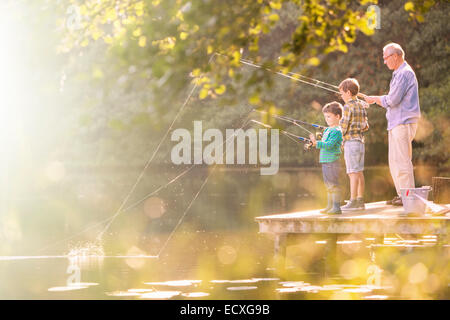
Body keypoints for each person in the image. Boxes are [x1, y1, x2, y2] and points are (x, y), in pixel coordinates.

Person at [364, 43, 420, 206]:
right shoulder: (398, 73)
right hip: (396, 122)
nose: (384, 61)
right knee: (394, 162)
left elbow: (393, 99)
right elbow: (392, 99)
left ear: (395, 56)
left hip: (404, 122)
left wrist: (376, 99)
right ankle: (402, 195)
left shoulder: (404, 73)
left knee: (403, 161)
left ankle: (408, 197)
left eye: (386, 58)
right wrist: (377, 99)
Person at [338, 78, 369, 211]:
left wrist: (337, 136)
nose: (341, 96)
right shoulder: (361, 105)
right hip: (360, 142)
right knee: (359, 172)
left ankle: (353, 200)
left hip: (351, 143)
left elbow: (343, 127)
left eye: (342, 93)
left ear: (349, 92)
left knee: (352, 172)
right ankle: (360, 200)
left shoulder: (347, 106)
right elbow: (366, 126)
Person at [309, 102, 344, 214]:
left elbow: (329, 145)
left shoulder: (337, 131)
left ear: (337, 116)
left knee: (333, 184)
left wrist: (316, 143)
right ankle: (329, 206)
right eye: (325, 117)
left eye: (329, 116)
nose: (326, 119)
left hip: (332, 161)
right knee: (328, 185)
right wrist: (315, 142)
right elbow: (324, 142)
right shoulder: (328, 130)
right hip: (325, 161)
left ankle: (336, 207)